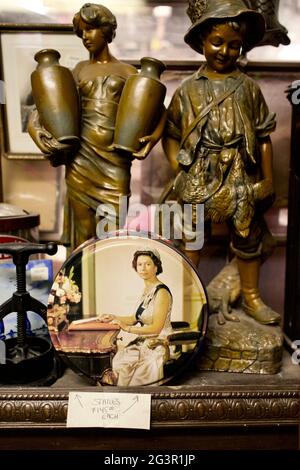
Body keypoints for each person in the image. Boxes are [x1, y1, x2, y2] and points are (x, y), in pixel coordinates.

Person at [162, 0, 280, 325]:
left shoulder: (249, 88)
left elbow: (264, 136)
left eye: (234, 45)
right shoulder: (187, 91)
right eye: (217, 42)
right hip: (200, 172)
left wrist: (268, 179)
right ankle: (187, 299)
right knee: (192, 235)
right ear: (201, 40)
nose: (225, 51)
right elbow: (170, 133)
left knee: (248, 236)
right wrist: (178, 166)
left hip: (240, 174)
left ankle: (252, 296)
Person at [28, 3, 164, 250]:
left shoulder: (127, 71)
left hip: (115, 162)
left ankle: (108, 287)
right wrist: (36, 132)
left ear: (107, 30)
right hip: (81, 160)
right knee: (84, 234)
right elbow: (41, 110)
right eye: (81, 32)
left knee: (111, 235)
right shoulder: (77, 71)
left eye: (90, 30)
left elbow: (161, 111)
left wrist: (152, 140)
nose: (86, 37)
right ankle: (80, 287)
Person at [99, 248, 173, 386]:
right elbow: (134, 318)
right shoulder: (147, 290)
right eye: (139, 264)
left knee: (141, 371)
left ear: (156, 267)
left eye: (148, 264)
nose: (143, 268)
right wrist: (113, 317)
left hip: (159, 343)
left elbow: (156, 329)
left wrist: (126, 328)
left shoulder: (162, 292)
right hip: (143, 341)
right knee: (118, 363)